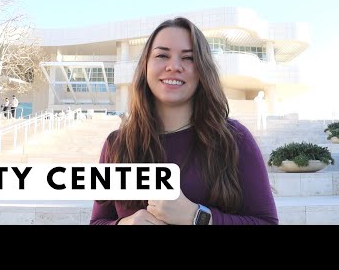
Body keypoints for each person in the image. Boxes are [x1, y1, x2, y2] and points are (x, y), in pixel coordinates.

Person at [90, 17, 278, 225]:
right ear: (145, 65)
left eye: (188, 58)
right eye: (162, 55)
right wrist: (124, 224)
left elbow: (267, 222)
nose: (174, 66)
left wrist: (197, 217)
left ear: (203, 69)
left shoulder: (234, 138)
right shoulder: (117, 144)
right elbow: (98, 221)